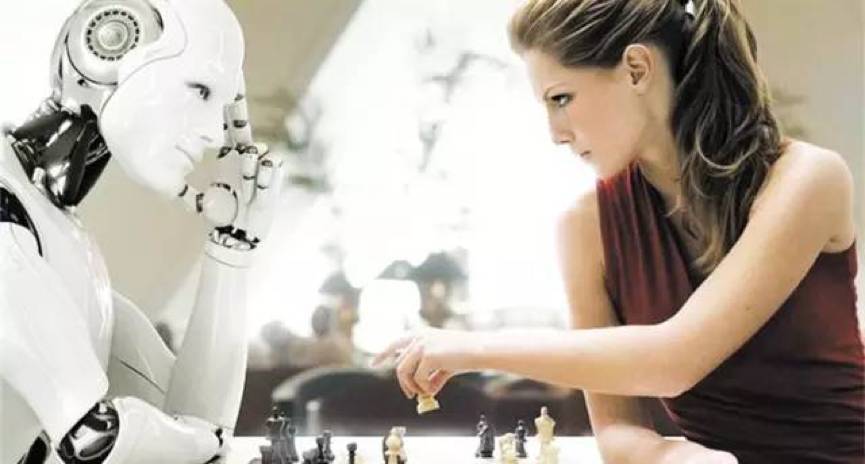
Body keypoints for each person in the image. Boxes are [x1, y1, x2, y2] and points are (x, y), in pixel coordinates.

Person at [372, 1, 864, 463]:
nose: (555, 133)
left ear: (636, 69)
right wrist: (677, 456)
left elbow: (676, 359)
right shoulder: (586, 226)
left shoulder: (807, 179)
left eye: (561, 98)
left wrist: (470, 348)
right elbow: (617, 431)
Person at [0, 0, 283, 462]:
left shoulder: (55, 232)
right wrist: (206, 440)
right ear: (108, 44)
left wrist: (232, 246)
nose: (214, 134)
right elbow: (94, 440)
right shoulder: (10, 217)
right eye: (199, 90)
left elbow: (184, 419)